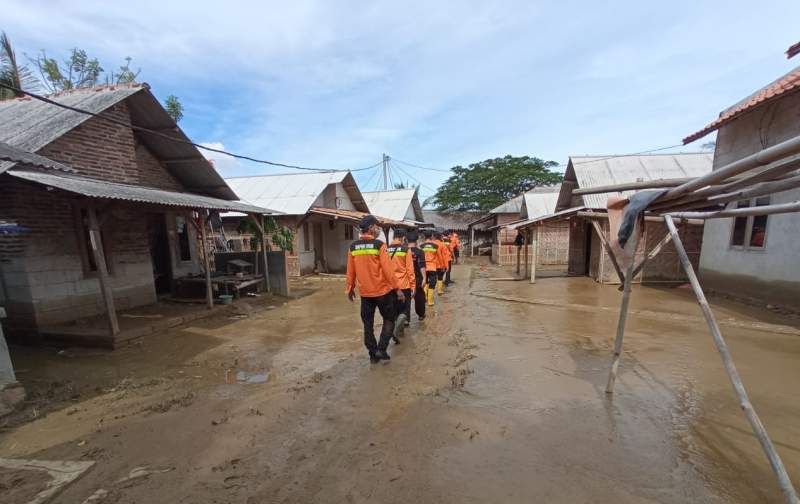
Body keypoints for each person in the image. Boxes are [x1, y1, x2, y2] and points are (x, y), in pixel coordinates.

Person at [346, 215, 405, 363]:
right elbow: (388, 270)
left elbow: (350, 271)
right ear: (371, 228)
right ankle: (381, 349)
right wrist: (397, 289)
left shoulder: (353, 247)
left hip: (365, 293)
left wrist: (350, 288)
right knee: (389, 319)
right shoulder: (379, 245)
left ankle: (373, 355)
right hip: (382, 292)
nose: (378, 229)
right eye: (377, 226)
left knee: (367, 324)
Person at [387, 228, 415, 341]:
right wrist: (413, 286)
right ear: (403, 238)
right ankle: (396, 331)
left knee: (395, 310)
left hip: (390, 286)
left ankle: (400, 333)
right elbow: (410, 269)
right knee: (404, 311)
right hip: (403, 285)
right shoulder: (405, 249)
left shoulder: (385, 249)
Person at [407, 230, 426, 321]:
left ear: (406, 240)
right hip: (417, 277)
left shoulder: (403, 250)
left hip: (405, 278)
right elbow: (422, 265)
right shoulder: (420, 252)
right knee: (419, 298)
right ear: (416, 240)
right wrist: (424, 278)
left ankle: (406, 319)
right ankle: (421, 315)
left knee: (406, 298)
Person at [420, 229, 442, 306]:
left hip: (423, 268)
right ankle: (430, 302)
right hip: (432, 267)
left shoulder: (421, 246)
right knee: (432, 284)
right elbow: (439, 257)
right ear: (432, 236)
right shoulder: (435, 246)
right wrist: (442, 266)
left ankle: (425, 297)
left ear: (424, 237)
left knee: (425, 282)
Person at [433, 229, 450, 295]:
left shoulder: (431, 244)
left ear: (433, 237)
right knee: (440, 277)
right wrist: (446, 266)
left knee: (430, 279)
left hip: (432, 265)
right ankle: (439, 291)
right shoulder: (442, 245)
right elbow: (445, 257)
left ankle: (427, 293)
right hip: (440, 265)